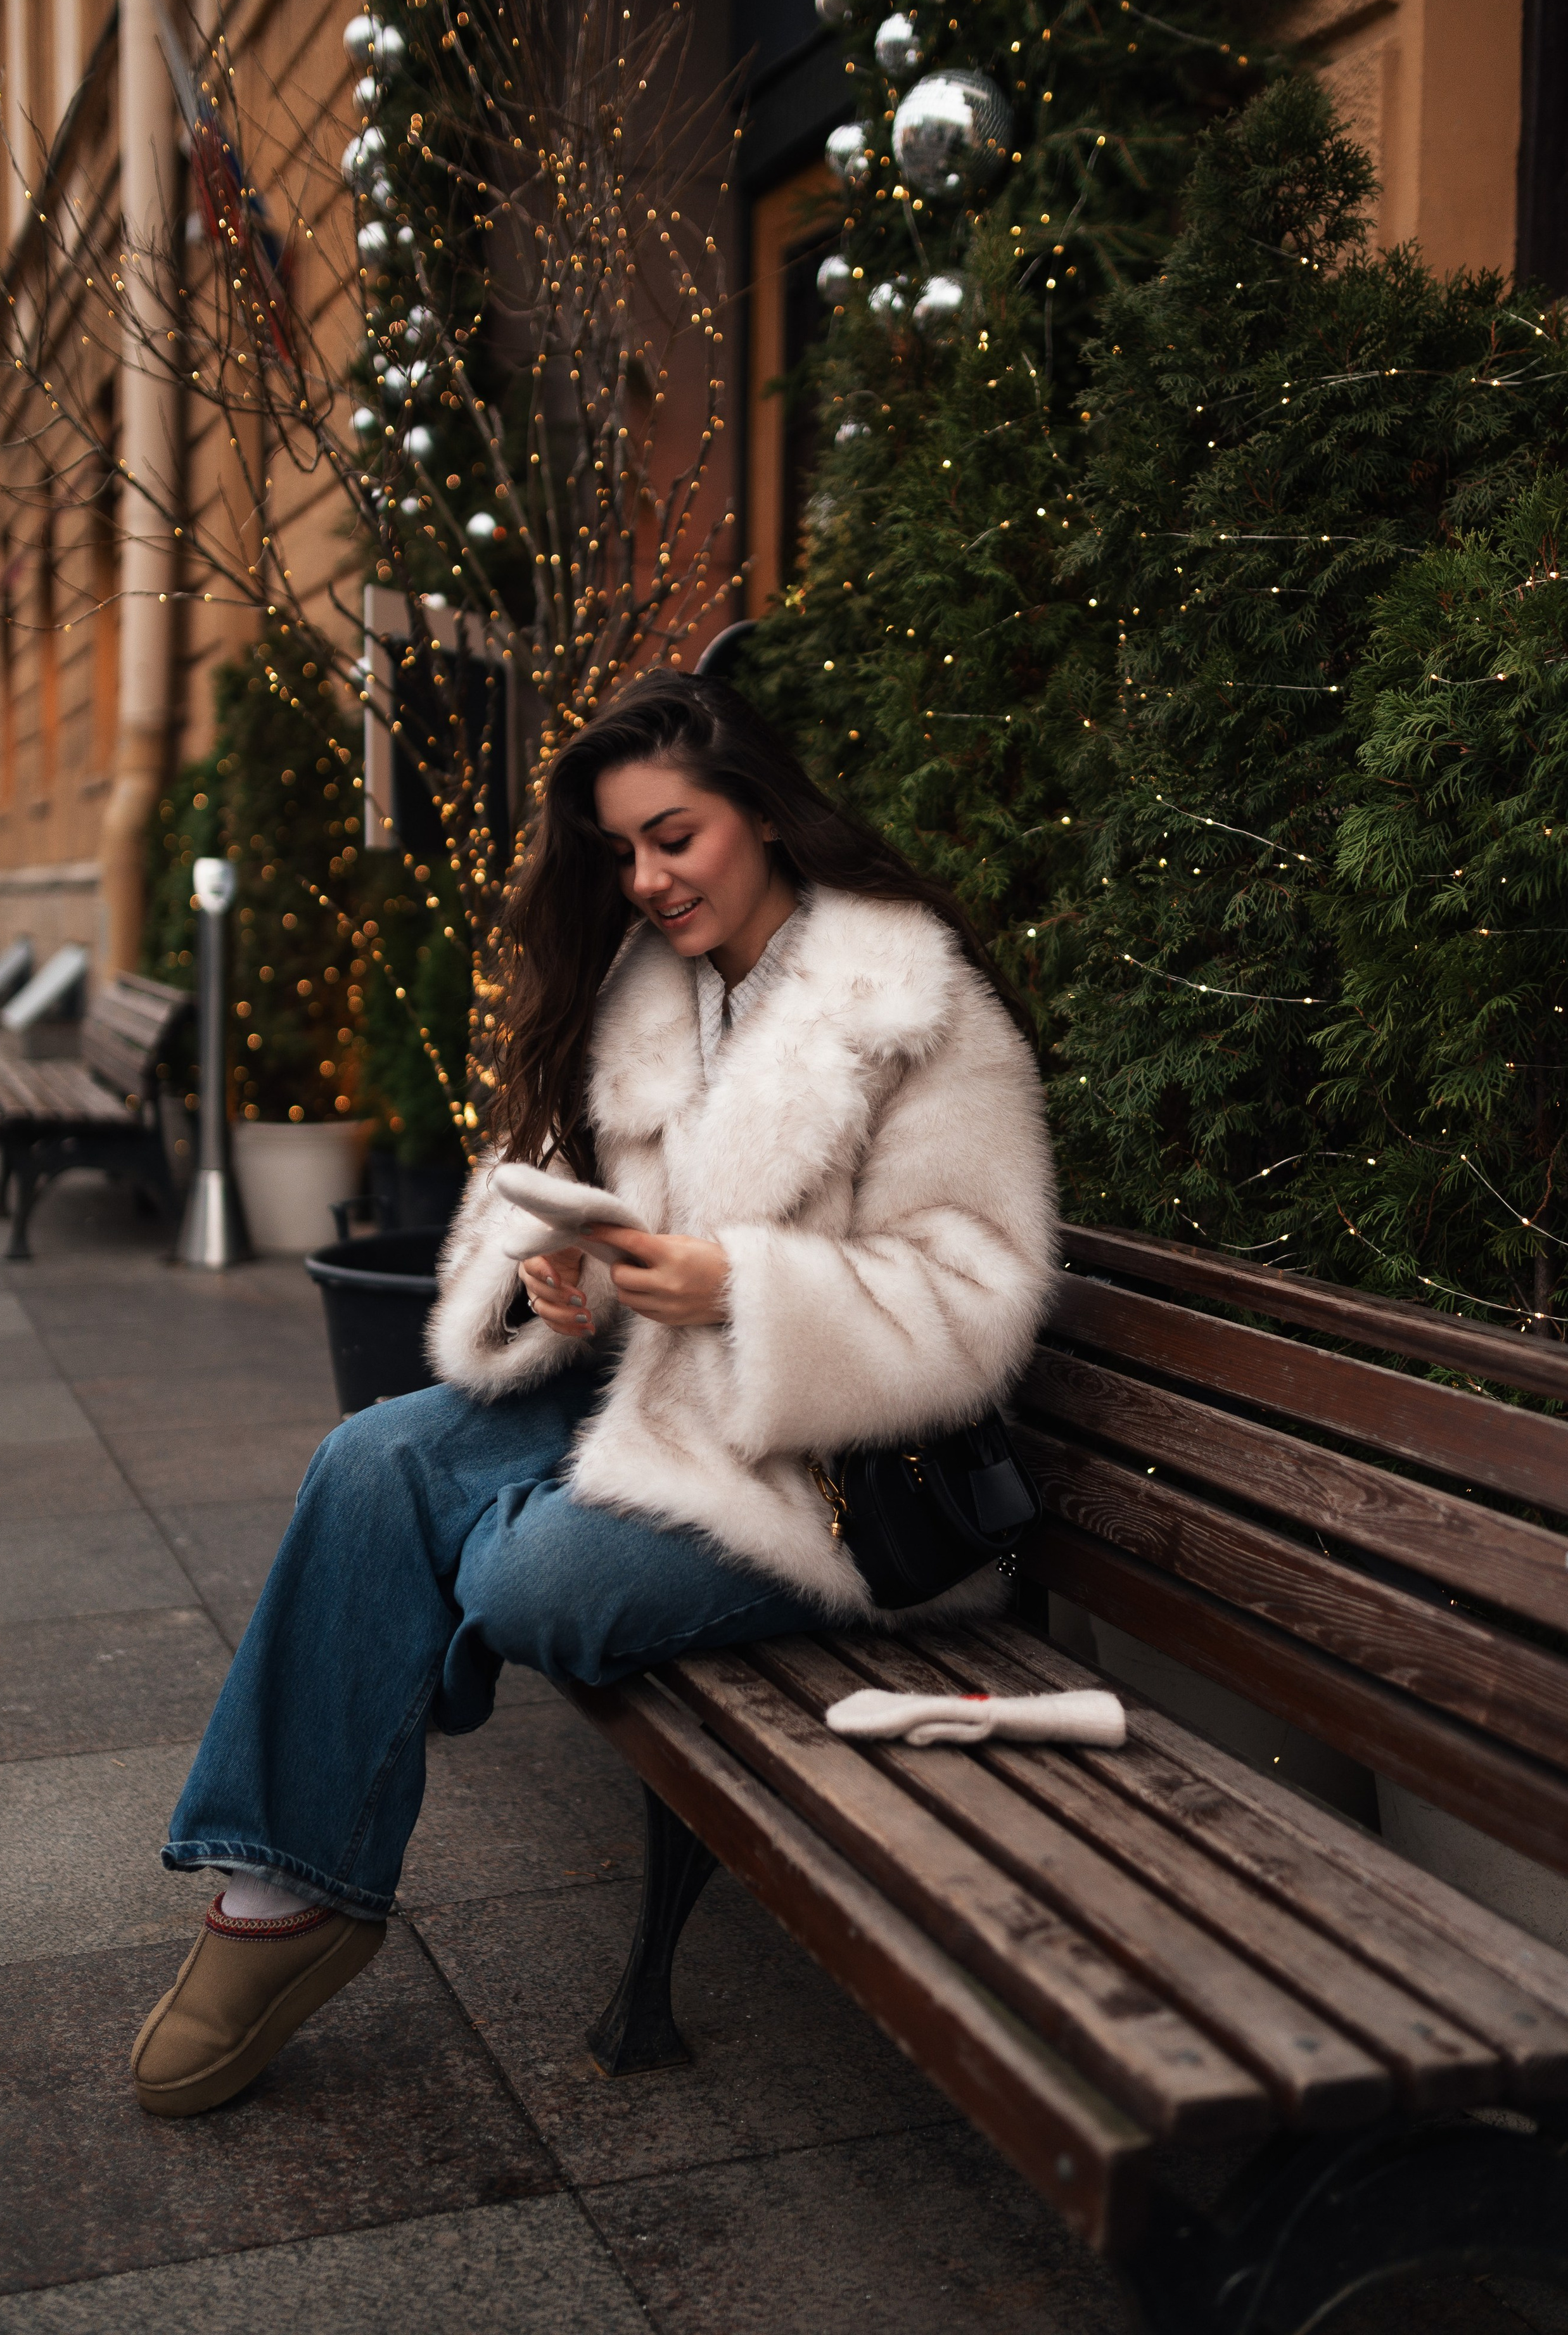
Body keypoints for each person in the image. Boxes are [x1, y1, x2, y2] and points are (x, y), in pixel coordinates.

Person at [130, 670, 1059, 2118]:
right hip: (656, 1405)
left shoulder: (907, 1003)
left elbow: (976, 1291)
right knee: (372, 1461)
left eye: (673, 837)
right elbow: (584, 1215)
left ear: (762, 811)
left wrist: (744, 1287)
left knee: (531, 1582)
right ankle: (281, 1894)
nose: (644, 879)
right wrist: (557, 1282)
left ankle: (393, 1660)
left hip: (830, 1482)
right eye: (621, 850)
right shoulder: (648, 994)